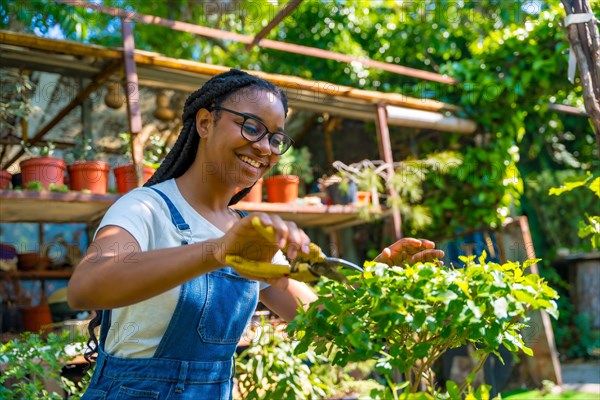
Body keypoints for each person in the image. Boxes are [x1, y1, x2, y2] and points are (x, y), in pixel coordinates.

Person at [67, 69, 444, 399]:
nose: (264, 147)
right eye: (251, 126)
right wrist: (215, 252)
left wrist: (376, 284)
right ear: (204, 123)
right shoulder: (145, 207)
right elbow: (86, 286)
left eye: (276, 139)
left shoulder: (251, 236)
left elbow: (326, 325)